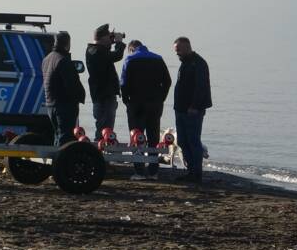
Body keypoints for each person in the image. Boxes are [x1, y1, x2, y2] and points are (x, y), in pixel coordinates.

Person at [120, 40, 172, 181]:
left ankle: (139, 171)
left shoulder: (130, 59)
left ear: (131, 49)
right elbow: (167, 81)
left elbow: (123, 83)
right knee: (154, 137)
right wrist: (161, 98)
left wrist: (126, 100)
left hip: (136, 104)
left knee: (136, 137)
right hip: (155, 104)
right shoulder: (158, 58)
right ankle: (153, 171)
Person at [173, 36, 212, 186]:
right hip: (181, 108)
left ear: (187, 47)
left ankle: (196, 173)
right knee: (183, 140)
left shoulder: (198, 63)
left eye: (179, 51)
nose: (177, 54)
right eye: (176, 51)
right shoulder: (185, 63)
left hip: (193, 110)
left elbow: (201, 87)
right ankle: (191, 171)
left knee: (193, 141)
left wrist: (195, 106)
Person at [41, 31, 86, 146]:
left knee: (58, 134)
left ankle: (56, 160)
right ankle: (61, 163)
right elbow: (72, 84)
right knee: (66, 138)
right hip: (64, 105)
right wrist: (80, 96)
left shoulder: (47, 59)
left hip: (50, 104)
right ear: (68, 43)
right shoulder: (63, 60)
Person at [86, 24, 126, 137]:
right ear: (103, 38)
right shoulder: (94, 50)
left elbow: (106, 54)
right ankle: (101, 151)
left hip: (104, 95)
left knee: (106, 128)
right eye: (109, 37)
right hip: (103, 97)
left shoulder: (98, 50)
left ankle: (104, 149)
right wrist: (118, 42)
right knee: (104, 128)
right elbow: (117, 55)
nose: (111, 40)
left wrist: (111, 41)